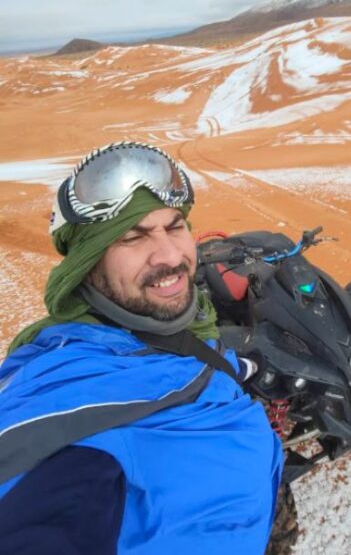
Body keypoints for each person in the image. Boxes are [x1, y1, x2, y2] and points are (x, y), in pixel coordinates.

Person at [0, 141, 284, 553]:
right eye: (133, 237)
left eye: (174, 226)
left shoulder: (168, 334)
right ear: (88, 262)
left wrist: (236, 368)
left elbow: (186, 360)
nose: (171, 256)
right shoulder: (80, 440)